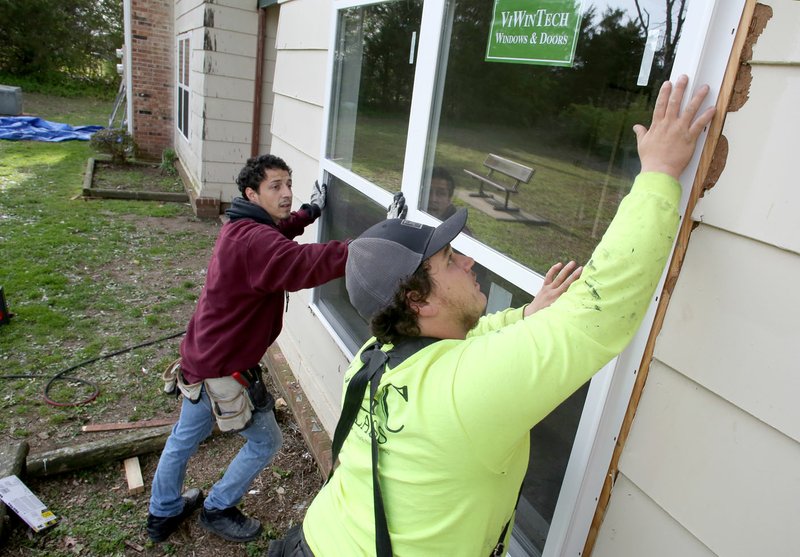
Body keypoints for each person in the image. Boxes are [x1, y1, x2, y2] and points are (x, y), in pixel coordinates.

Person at [267, 75, 715, 556]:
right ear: (419, 302)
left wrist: (527, 318)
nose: (469, 261)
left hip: (316, 539)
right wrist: (661, 174)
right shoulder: (465, 392)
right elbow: (598, 308)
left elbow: (470, 345)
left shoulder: (375, 354)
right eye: (449, 260)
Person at [146, 154, 349, 544]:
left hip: (202, 356)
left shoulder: (242, 224)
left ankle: (163, 512)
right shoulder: (254, 239)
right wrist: (367, 248)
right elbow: (300, 263)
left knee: (184, 438)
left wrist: (309, 212)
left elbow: (278, 232)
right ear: (251, 193)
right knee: (266, 441)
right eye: (276, 187)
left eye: (289, 183)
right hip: (219, 370)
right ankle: (218, 507)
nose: (287, 193)